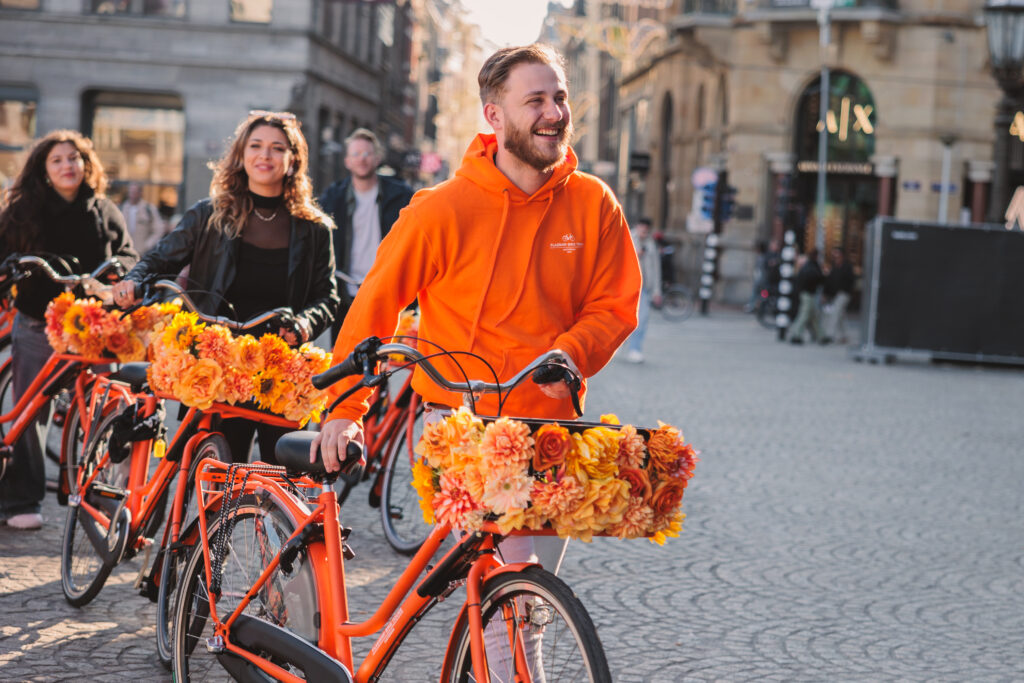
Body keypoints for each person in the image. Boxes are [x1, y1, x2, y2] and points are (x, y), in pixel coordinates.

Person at [314, 42, 640, 552]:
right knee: (503, 582)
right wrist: (345, 408)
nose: (554, 114)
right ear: (494, 114)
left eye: (560, 97)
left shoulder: (595, 203)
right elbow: (375, 306)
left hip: (551, 424)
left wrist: (572, 353)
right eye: (535, 101)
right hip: (457, 421)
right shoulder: (439, 210)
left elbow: (615, 304)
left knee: (531, 597)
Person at [113, 111, 339, 464]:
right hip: (217, 363)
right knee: (214, 474)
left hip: (280, 367)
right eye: (257, 146)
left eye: (277, 148)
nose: (265, 156)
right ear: (241, 155)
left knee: (282, 478)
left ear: (293, 160)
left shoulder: (314, 228)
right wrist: (135, 280)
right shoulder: (208, 214)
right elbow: (161, 258)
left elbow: (327, 297)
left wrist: (304, 324)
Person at [0, 129, 138, 530]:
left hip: (94, 327)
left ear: (86, 164)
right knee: (31, 410)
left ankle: (95, 488)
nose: (67, 166)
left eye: (74, 159)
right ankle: (22, 498)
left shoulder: (103, 210)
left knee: (101, 410)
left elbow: (129, 254)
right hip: (38, 322)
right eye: (57, 160)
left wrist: (120, 273)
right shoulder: (25, 209)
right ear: (44, 169)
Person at [319, 128, 414, 341]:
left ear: (378, 158)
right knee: (342, 361)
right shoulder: (333, 198)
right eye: (355, 154)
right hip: (345, 291)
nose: (361, 160)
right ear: (347, 161)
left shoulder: (401, 196)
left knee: (383, 359)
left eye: (367, 154)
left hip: (385, 291)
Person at [624, 217, 662, 363]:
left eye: (646, 229)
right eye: (642, 227)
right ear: (637, 226)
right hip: (627, 286)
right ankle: (621, 341)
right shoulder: (627, 238)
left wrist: (657, 291)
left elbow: (656, 268)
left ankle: (635, 349)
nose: (643, 231)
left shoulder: (652, 244)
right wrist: (636, 255)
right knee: (625, 319)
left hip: (645, 287)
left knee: (643, 319)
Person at [787, 248, 824, 344]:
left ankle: (821, 336)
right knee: (804, 315)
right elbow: (816, 278)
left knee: (813, 316)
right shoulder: (810, 266)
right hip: (807, 293)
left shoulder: (810, 265)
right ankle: (796, 334)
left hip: (808, 293)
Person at [821, 246, 855, 344]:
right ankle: (844, 336)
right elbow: (829, 281)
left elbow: (850, 281)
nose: (835, 256)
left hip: (844, 293)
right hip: (836, 294)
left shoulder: (847, 267)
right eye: (834, 254)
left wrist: (846, 290)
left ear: (842, 255)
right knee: (840, 315)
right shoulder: (834, 267)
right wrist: (825, 294)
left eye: (837, 254)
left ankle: (829, 335)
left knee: (835, 313)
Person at [120, 181, 166, 254]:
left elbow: (158, 229)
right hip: (125, 251)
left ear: (140, 193)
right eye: (131, 192)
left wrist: (148, 245)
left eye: (135, 192)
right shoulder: (121, 208)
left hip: (142, 252)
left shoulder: (149, 209)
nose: (133, 195)